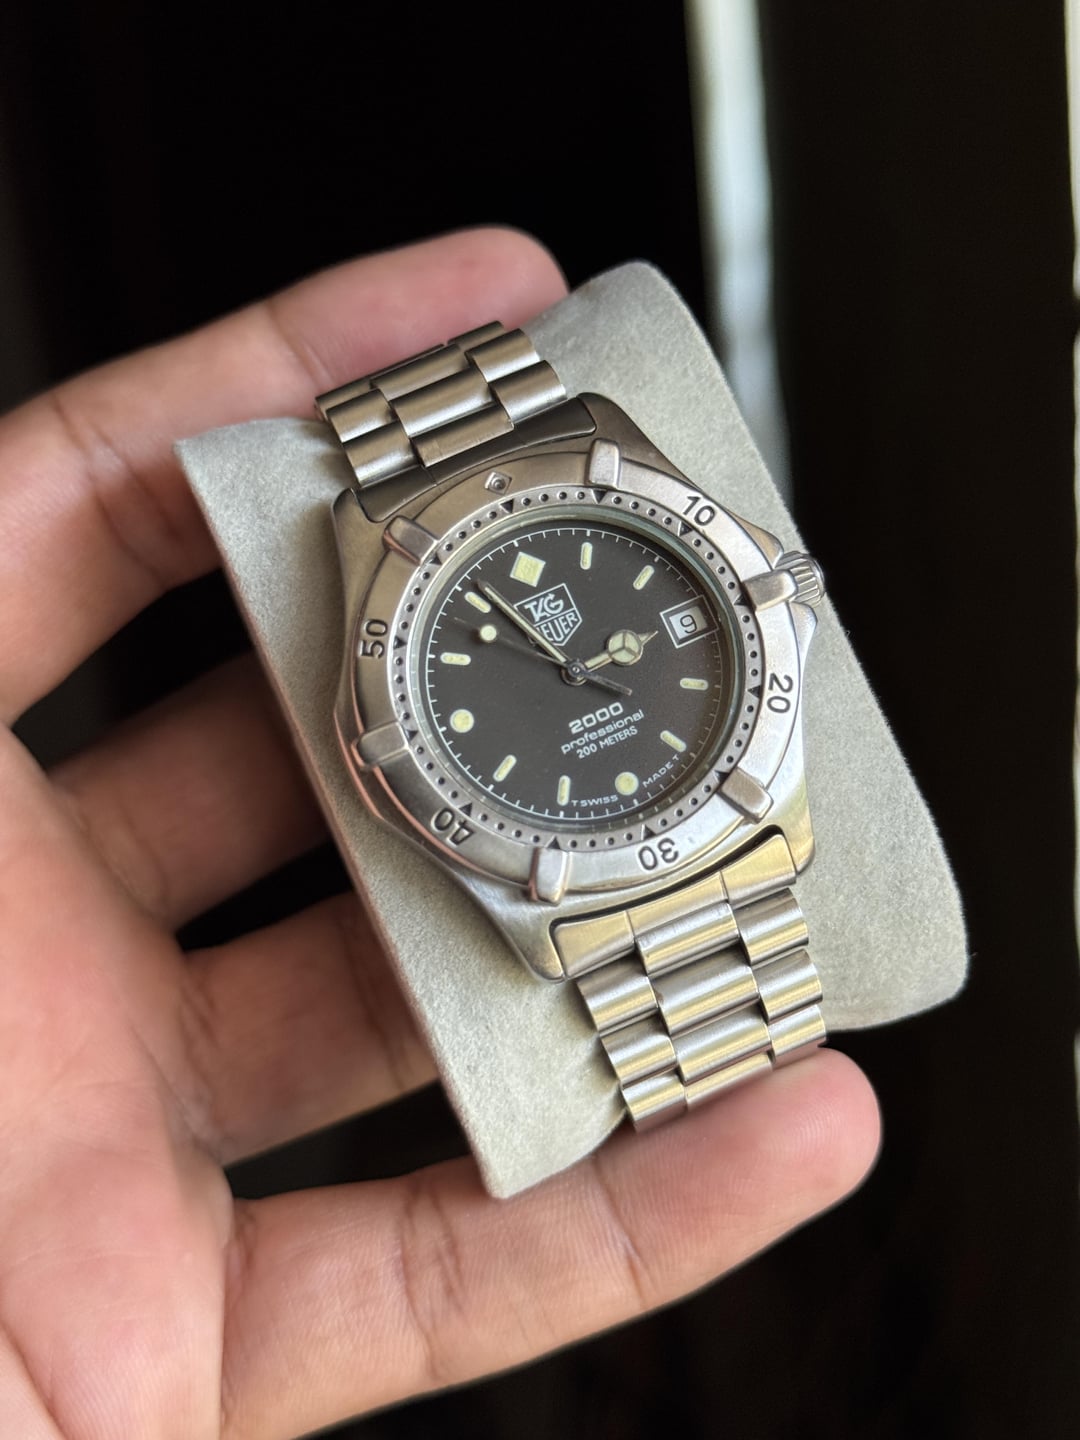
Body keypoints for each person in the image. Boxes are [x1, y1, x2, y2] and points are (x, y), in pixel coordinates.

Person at [0, 228, 880, 1439]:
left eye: (595, 659)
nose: (579, 676)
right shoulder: (393, 661)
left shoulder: (652, 546)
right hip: (566, 875)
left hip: (696, 821)